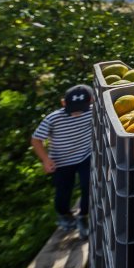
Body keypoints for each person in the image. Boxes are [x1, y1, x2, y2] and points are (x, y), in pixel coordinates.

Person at [31, 84, 94, 238]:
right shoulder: (53, 118)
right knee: (63, 190)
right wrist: (46, 160)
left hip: (85, 156)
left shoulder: (92, 112)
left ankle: (83, 216)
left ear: (91, 101)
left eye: (81, 107)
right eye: (73, 108)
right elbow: (36, 139)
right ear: (63, 103)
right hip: (62, 160)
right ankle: (64, 215)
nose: (77, 112)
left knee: (89, 186)